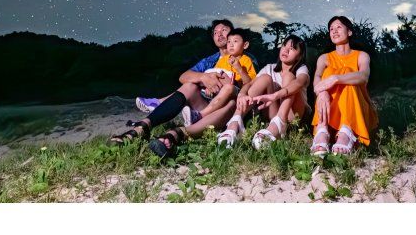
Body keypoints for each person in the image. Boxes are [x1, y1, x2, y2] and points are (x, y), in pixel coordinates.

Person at [109, 19, 239, 157]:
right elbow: (183, 76)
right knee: (189, 85)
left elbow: (250, 86)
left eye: (223, 30)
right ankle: (143, 127)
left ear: (233, 33)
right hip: (206, 104)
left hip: (228, 110)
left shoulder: (244, 57)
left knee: (231, 102)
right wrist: (203, 78)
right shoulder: (209, 61)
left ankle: (176, 134)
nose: (219, 34)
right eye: (215, 32)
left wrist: (223, 85)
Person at [216, 34, 310, 150]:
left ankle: (280, 125)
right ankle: (235, 123)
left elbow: (299, 82)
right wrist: (242, 94)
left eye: (292, 49)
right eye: (284, 45)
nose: (285, 50)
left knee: (289, 76)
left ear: (299, 56)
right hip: (272, 113)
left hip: (292, 116)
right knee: (265, 77)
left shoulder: (301, 69)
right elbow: (249, 83)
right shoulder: (270, 68)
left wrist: (275, 95)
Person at [310, 16, 378, 157]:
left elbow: (363, 76)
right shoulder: (324, 58)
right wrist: (322, 92)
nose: (334, 31)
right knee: (328, 72)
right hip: (328, 109)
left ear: (349, 32)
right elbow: (317, 78)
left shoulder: (362, 56)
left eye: (339, 27)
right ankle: (322, 130)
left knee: (346, 72)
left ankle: (347, 131)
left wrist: (336, 79)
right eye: (331, 29)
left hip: (357, 110)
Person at [182, 29, 257, 125]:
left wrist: (239, 68)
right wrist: (209, 86)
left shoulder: (246, 60)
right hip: (219, 91)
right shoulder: (223, 60)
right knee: (196, 88)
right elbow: (215, 74)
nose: (231, 44)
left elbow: (250, 82)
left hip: (237, 91)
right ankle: (196, 113)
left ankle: (199, 115)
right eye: (229, 41)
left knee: (228, 87)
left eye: (235, 41)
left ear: (245, 45)